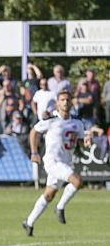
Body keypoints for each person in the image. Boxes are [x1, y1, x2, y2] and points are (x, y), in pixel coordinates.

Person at [22, 90, 92, 236]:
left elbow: (79, 142)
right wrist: (34, 152)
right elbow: (34, 131)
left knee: (48, 195)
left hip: (66, 162)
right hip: (52, 162)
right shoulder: (52, 120)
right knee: (77, 182)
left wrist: (86, 142)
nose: (65, 102)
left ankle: (29, 222)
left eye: (67, 99)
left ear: (71, 102)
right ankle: (59, 207)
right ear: (58, 103)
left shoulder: (77, 123)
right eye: (62, 100)